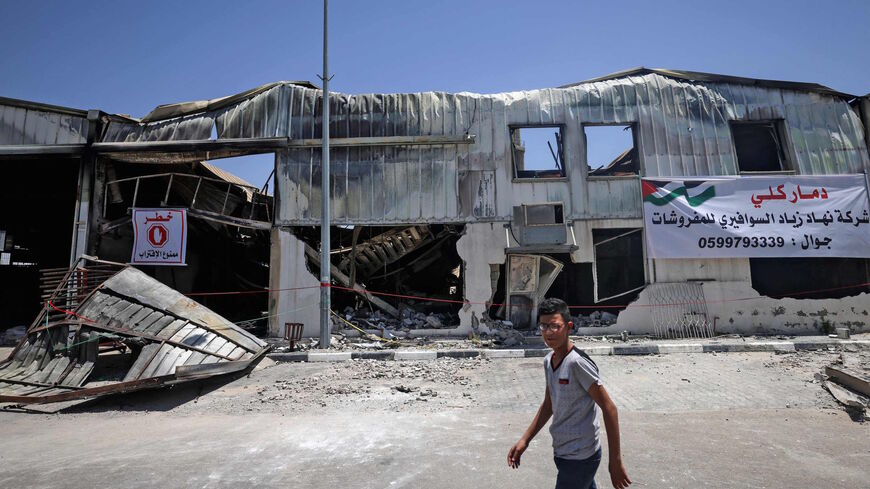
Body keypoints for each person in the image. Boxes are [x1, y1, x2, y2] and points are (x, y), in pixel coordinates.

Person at [508, 298, 631, 489]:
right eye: (544, 326)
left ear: (569, 327)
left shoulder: (577, 363)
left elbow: (610, 409)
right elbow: (549, 404)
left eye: (555, 326)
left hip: (581, 457)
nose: (548, 332)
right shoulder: (549, 361)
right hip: (563, 452)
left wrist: (615, 461)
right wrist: (525, 440)